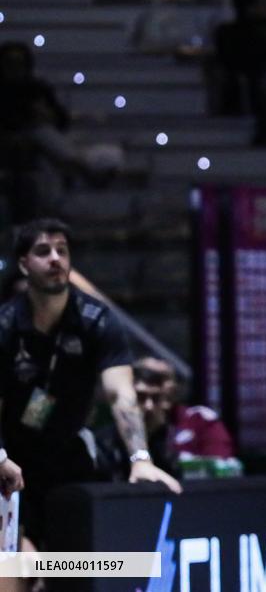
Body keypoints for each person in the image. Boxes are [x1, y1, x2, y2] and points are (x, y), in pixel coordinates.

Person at [0, 219, 181, 550]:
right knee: (18, 571)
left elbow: (120, 393)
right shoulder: (6, 325)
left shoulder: (97, 320)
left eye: (62, 251)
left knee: (76, 571)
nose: (55, 258)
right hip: (12, 466)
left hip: (71, 460)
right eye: (43, 251)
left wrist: (140, 457)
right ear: (24, 264)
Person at [96, 356, 236, 480]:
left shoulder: (174, 437)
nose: (149, 406)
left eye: (156, 398)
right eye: (141, 397)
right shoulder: (105, 442)